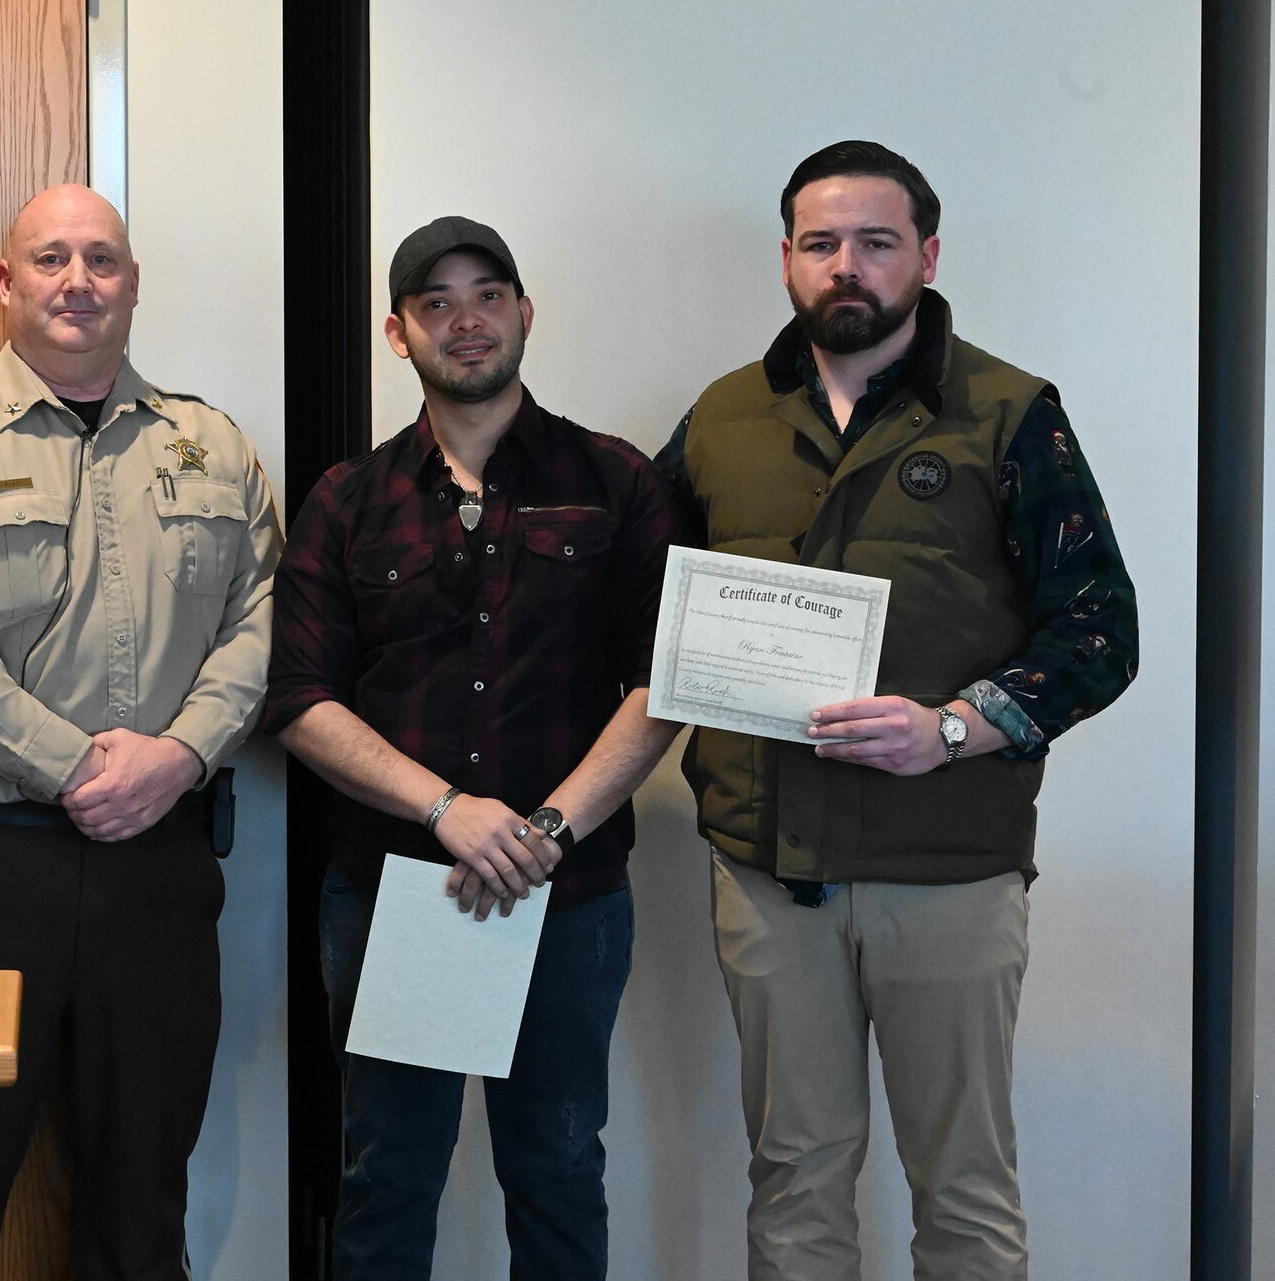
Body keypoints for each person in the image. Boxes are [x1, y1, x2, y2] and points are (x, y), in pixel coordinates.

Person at [655, 141, 1139, 1280]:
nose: (846, 267)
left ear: (924, 255)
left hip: (950, 875)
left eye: (874, 243)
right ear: (784, 261)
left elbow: (1099, 631)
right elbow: (648, 616)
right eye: (819, 244)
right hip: (768, 873)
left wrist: (953, 727)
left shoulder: (1011, 412)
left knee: (962, 1193)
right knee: (792, 1182)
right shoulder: (720, 418)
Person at [0, 183, 281, 1281]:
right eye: (48, 259)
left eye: (101, 260)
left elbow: (261, 621)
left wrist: (178, 757)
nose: (76, 282)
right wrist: (76, 768)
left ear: (132, 285)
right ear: (5, 285)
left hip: (159, 869)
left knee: (143, 1198)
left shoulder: (212, 446)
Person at [266, 216, 685, 1279]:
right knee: (387, 1176)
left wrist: (545, 826)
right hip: (399, 891)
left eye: (488, 293)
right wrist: (447, 812)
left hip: (568, 889)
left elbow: (663, 680)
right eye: (435, 303)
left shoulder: (614, 482)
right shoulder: (345, 500)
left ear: (525, 312)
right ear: (396, 335)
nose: (466, 321)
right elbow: (297, 696)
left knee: (552, 1170)